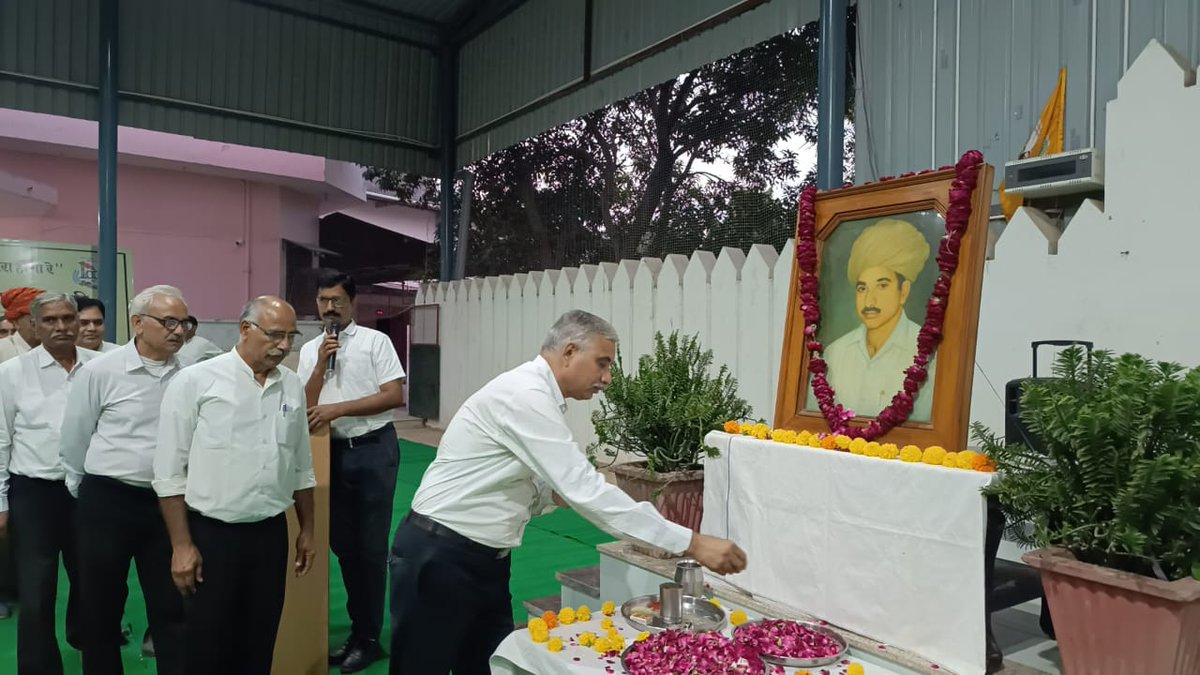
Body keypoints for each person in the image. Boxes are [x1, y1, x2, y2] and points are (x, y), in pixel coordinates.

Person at [389, 310, 748, 675]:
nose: (607, 378)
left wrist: (557, 493)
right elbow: (583, 490)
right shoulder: (525, 395)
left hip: (483, 560)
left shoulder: (536, 394)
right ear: (570, 351)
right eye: (602, 363)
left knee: (484, 665)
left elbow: (526, 482)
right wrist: (691, 542)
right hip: (440, 556)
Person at [154, 296, 316, 675]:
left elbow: (300, 466)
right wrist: (181, 546)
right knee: (207, 644)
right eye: (275, 335)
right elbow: (168, 473)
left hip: (269, 534)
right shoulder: (196, 381)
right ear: (245, 330)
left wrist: (307, 529)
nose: (283, 345)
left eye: (291, 336)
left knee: (259, 640)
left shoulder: (291, 386)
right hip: (211, 536)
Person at [59, 285, 192, 675]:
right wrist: (83, 489)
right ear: (137, 323)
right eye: (168, 322)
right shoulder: (101, 371)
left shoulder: (191, 376)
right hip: (107, 500)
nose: (178, 331)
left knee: (172, 603)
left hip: (166, 504)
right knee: (99, 606)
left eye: (183, 322)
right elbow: (75, 436)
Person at [297, 270, 405, 673]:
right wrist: (319, 364)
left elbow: (393, 395)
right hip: (331, 453)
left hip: (373, 450)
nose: (329, 307)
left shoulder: (377, 343)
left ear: (351, 302)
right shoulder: (312, 349)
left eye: (336, 300)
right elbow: (306, 401)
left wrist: (338, 408)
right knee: (343, 546)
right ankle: (358, 631)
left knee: (370, 549)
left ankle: (370, 638)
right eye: (323, 300)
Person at [0, 293, 98, 674]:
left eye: (68, 318)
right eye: (51, 320)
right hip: (34, 493)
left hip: (89, 492)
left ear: (78, 321)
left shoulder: (100, 367)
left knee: (92, 583)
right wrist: (2, 503)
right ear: (34, 326)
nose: (61, 327)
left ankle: (94, 653)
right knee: (37, 590)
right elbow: (1, 439)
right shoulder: (12, 373)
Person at [822, 218, 937, 421]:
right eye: (862, 288)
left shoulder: (931, 356)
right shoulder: (835, 354)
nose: (869, 300)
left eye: (882, 285)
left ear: (904, 292)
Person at [0, 287, 44, 363]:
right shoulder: (3, 350)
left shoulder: (56, 348)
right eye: (34, 320)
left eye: (49, 319)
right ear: (16, 322)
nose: (43, 325)